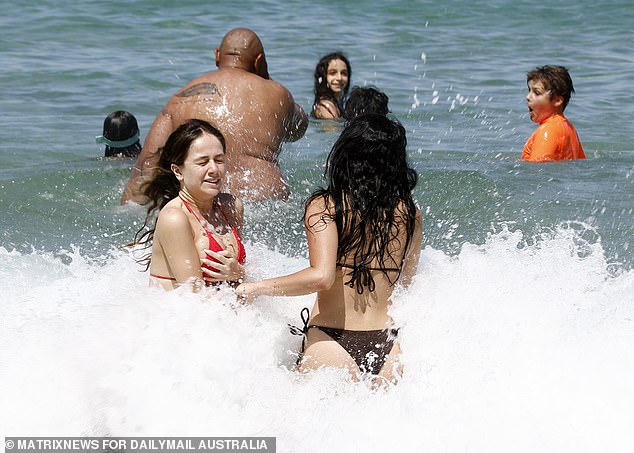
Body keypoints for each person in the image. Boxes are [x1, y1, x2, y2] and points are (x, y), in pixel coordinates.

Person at [236, 114, 423, 383]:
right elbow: (406, 285)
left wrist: (254, 288)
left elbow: (322, 277)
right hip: (388, 344)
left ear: (346, 155)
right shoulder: (410, 214)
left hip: (330, 341)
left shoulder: (325, 205)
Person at [121, 28, 308, 204]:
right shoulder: (277, 93)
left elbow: (144, 174)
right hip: (264, 202)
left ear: (217, 55)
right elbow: (298, 128)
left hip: (205, 202)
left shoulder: (180, 99)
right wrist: (267, 78)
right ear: (259, 61)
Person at [132, 119, 246, 291]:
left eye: (219, 160)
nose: (214, 169)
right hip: (179, 315)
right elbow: (194, 298)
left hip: (223, 312)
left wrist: (239, 273)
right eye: (202, 162)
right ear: (178, 171)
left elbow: (236, 280)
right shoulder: (175, 218)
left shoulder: (231, 206)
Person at [522, 65, 586, 162]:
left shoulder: (547, 131)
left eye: (537, 93)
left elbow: (537, 173)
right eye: (529, 90)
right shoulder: (569, 129)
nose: (527, 97)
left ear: (557, 100)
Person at [312, 52, 351, 120]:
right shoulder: (326, 107)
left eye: (344, 73)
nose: (339, 78)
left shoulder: (337, 104)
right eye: (332, 73)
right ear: (324, 77)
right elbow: (332, 130)